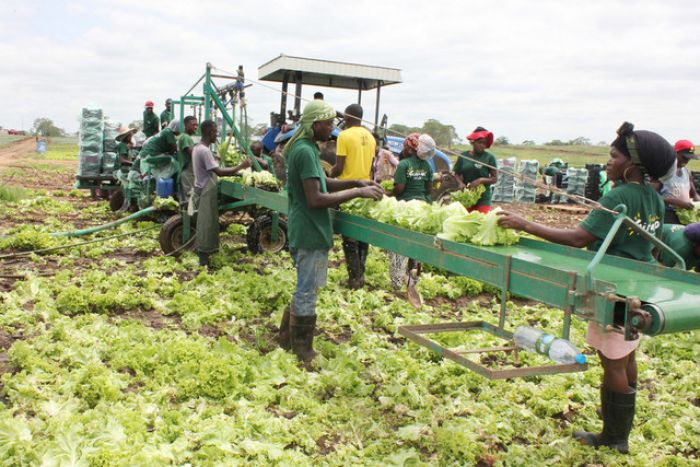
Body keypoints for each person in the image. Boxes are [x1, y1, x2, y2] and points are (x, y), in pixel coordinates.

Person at [498, 122, 676, 454]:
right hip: (636, 282)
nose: (608, 162)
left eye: (613, 156)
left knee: (612, 361)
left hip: (612, 287)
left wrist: (525, 224)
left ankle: (615, 436)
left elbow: (580, 239)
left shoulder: (620, 195)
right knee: (626, 352)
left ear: (632, 165)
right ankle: (618, 418)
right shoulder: (653, 197)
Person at [278, 100, 383, 365]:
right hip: (309, 228)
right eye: (327, 124)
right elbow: (316, 198)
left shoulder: (308, 148)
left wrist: (355, 181)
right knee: (307, 290)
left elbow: (323, 181)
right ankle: (303, 349)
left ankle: (285, 338)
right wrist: (358, 192)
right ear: (314, 124)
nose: (331, 128)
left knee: (305, 286)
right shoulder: (304, 151)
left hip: (308, 227)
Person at [192, 120, 251, 267]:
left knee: (209, 222)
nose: (217, 134)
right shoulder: (204, 151)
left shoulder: (197, 148)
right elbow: (218, 172)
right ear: (210, 132)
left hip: (202, 187)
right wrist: (241, 166)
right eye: (216, 131)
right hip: (206, 189)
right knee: (206, 223)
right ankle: (203, 259)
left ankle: (208, 254)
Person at [330, 104, 377, 289]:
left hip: (348, 190)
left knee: (349, 236)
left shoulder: (344, 135)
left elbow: (339, 167)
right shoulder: (371, 137)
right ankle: (361, 276)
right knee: (362, 234)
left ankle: (354, 280)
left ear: (347, 117)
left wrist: (327, 175)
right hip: (366, 189)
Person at [390, 133, 436, 307]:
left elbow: (399, 189)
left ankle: (396, 283)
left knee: (399, 245)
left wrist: (388, 194)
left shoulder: (403, 165)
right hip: (422, 209)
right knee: (417, 246)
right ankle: (413, 280)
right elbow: (429, 190)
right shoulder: (427, 166)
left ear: (412, 147)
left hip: (406, 209)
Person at [653, 139, 700, 224]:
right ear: (675, 153)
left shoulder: (686, 171)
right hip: (666, 214)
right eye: (684, 157)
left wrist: (697, 201)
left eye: (689, 158)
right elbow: (652, 195)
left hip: (684, 215)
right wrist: (675, 202)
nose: (686, 161)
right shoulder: (663, 171)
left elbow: (694, 194)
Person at [453, 126, 498, 213]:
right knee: (465, 221)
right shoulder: (463, 156)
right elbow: (456, 173)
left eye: (484, 143)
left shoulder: (489, 157)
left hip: (483, 198)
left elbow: (494, 179)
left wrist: (480, 180)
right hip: (467, 195)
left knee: (481, 221)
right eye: (480, 142)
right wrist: (460, 183)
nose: (482, 145)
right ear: (473, 142)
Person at [177, 116, 198, 203]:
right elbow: (193, 154)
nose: (196, 127)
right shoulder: (185, 137)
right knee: (190, 200)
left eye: (197, 125)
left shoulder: (183, 137)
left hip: (186, 172)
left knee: (187, 200)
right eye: (193, 125)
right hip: (188, 173)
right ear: (186, 125)